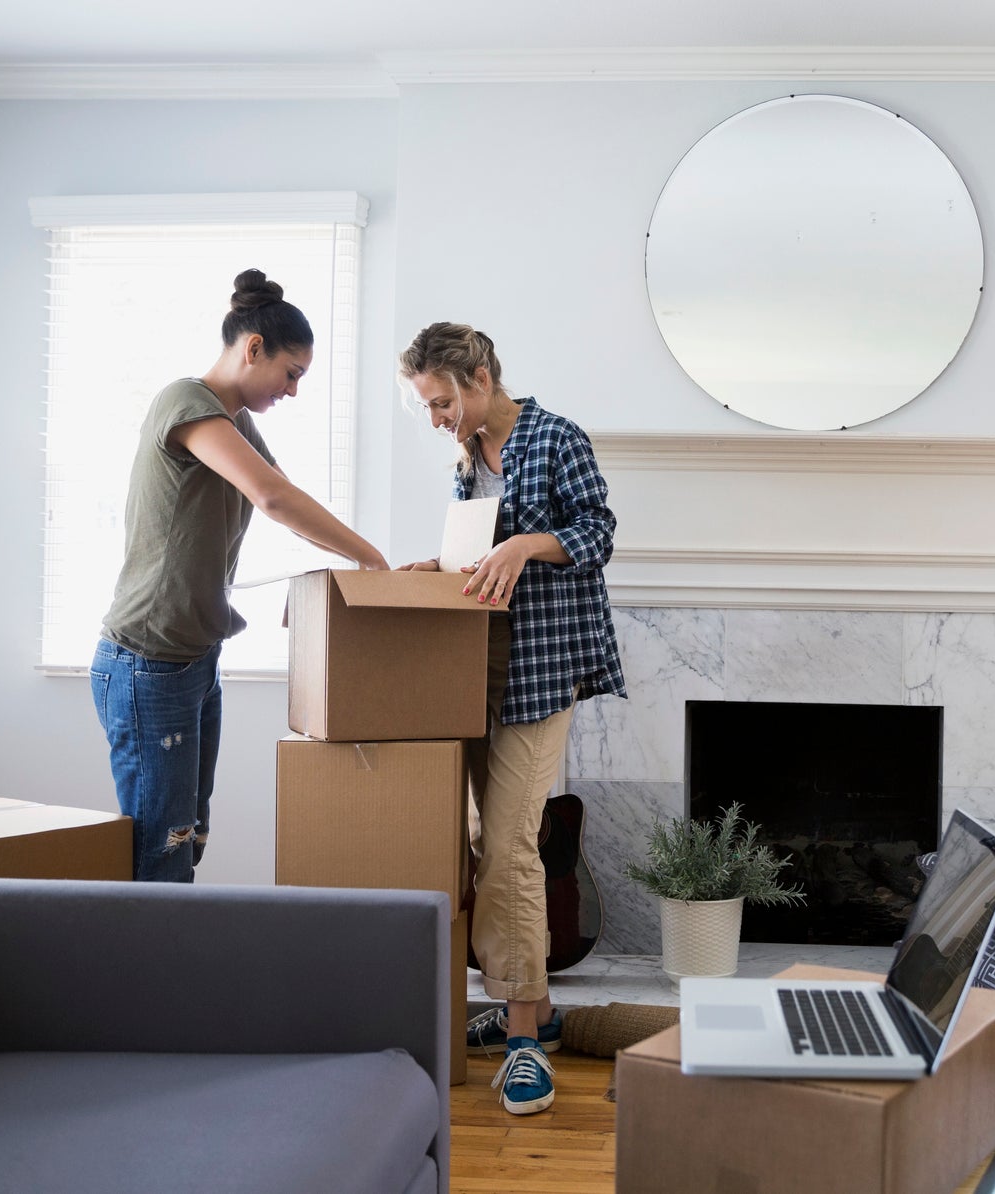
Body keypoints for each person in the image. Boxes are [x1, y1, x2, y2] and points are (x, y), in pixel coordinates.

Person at [95, 269, 388, 883]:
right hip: (148, 661)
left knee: (188, 839)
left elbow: (282, 502)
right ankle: (147, 978)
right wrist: (370, 557)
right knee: (162, 851)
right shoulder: (186, 403)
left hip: (194, 660)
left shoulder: (232, 422)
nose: (294, 390)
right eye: (292, 373)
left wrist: (348, 570)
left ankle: (170, 970)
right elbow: (273, 496)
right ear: (253, 348)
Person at [399, 322, 625, 1116]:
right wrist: (443, 567)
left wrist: (527, 543)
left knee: (510, 847)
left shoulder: (555, 438)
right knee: (472, 841)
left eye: (439, 402)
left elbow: (597, 532)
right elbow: (477, 551)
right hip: (475, 669)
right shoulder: (467, 458)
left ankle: (526, 1038)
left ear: (481, 378)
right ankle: (521, 1007)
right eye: (424, 406)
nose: (434, 419)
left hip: (540, 668)